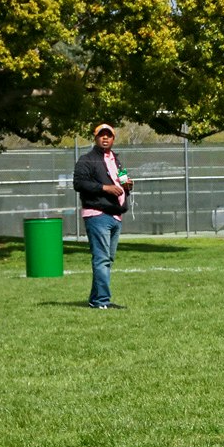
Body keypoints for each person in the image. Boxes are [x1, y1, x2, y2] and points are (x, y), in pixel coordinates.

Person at [74, 123, 133, 309]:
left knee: (107, 259)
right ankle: (102, 301)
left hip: (115, 215)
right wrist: (104, 188)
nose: (105, 138)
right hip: (98, 214)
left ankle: (95, 300)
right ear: (95, 138)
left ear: (113, 139)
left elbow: (121, 181)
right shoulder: (87, 160)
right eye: (101, 135)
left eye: (109, 135)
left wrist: (127, 186)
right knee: (101, 259)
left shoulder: (116, 160)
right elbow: (79, 183)